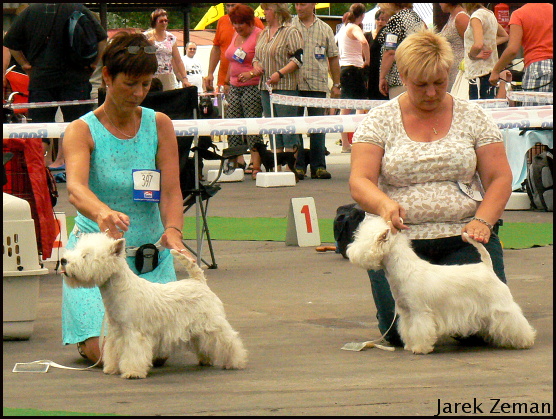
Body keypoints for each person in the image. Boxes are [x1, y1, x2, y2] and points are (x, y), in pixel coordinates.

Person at [350, 28, 513, 346]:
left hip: (463, 237)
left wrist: (483, 220)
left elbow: (499, 178)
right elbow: (360, 180)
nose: (430, 92)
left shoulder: (474, 116)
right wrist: (384, 205)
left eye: (439, 82)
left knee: (478, 331)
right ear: (404, 75)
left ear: (450, 73)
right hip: (400, 245)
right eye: (420, 84)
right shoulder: (379, 119)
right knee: (399, 334)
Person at [61, 32, 194, 364]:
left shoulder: (159, 124)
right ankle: (86, 336)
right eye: (131, 83)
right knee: (108, 352)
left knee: (157, 352)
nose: (139, 93)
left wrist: (174, 232)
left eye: (147, 84)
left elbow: (170, 190)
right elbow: (76, 189)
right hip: (97, 264)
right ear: (107, 76)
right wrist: (102, 212)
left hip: (148, 259)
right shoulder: (81, 130)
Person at [3, 3, 107, 171]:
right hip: (76, 78)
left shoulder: (30, 11)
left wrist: (26, 65)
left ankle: (40, 174)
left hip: (41, 78)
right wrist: (94, 63)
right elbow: (102, 38)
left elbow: (10, 42)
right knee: (79, 127)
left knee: (39, 132)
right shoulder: (78, 9)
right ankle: (78, 170)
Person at [292, 2, 341, 180]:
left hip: (318, 85)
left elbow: (333, 58)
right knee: (295, 127)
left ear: (313, 5)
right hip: (294, 85)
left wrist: (336, 84)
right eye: (296, 4)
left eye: (302, 4)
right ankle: (297, 165)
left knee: (318, 128)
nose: (298, 8)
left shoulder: (325, 28)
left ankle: (318, 166)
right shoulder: (290, 26)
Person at [252, 3, 304, 158]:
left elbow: (298, 59)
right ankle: (277, 166)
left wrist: (280, 73)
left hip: (285, 86)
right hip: (265, 87)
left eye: (267, 9)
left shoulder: (290, 31)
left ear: (276, 11)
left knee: (287, 128)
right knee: (272, 127)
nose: (264, 12)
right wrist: (256, 65)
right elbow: (256, 56)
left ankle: (290, 167)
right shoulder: (263, 33)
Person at [223, 4, 264, 178]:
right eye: (235, 23)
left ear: (250, 22)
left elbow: (262, 62)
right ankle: (236, 160)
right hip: (234, 86)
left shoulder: (259, 35)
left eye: (241, 23)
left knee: (252, 125)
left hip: (252, 86)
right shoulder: (235, 35)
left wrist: (251, 73)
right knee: (232, 123)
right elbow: (232, 59)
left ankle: (256, 164)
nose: (237, 27)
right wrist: (225, 81)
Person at [489, 3, 553, 103]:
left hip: (538, 67)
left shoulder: (519, 14)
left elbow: (513, 50)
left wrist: (496, 71)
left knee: (534, 115)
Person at [205, 3, 265, 93]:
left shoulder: (255, 23)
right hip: (227, 80)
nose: (230, 9)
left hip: (251, 83)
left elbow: (264, 56)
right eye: (227, 6)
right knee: (224, 106)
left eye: (233, 5)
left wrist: (252, 73)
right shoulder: (222, 21)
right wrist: (210, 73)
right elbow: (216, 48)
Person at [336, 3, 371, 154]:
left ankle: (345, 142)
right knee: (360, 105)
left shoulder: (343, 28)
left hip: (343, 67)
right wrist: (367, 60)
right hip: (355, 67)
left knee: (345, 107)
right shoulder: (354, 28)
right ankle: (358, 139)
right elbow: (363, 41)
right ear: (362, 16)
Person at [378, 3, 425, 100]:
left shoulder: (395, 20)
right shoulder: (416, 18)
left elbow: (390, 51)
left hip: (399, 77)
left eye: (383, 10)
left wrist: (382, 77)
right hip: (417, 74)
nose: (383, 14)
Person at [463, 3, 508, 99]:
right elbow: (505, 36)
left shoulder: (476, 17)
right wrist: (490, 44)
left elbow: (478, 44)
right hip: (491, 70)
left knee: (477, 107)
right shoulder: (490, 15)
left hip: (478, 72)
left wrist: (472, 54)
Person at [143, 8, 191, 91]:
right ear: (155, 22)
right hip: (151, 75)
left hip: (168, 75)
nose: (164, 23)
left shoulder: (171, 38)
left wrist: (184, 78)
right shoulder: (146, 36)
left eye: (166, 20)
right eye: (161, 21)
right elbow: (142, 56)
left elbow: (178, 60)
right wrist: (149, 45)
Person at [440, 3, 470, 91]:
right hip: (451, 70)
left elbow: (472, 43)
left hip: (460, 71)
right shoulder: (451, 17)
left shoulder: (461, 18)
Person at [366, 8, 391, 100]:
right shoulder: (367, 35)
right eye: (378, 19)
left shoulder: (389, 34)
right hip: (372, 69)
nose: (380, 22)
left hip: (382, 68)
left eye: (383, 19)